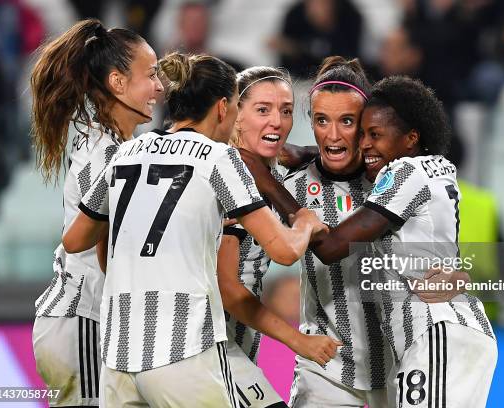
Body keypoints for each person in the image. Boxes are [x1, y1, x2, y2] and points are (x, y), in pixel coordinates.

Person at [63, 52, 328, 407]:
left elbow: (76, 239)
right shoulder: (218, 158)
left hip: (118, 353)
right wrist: (306, 224)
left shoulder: (127, 153)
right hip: (183, 349)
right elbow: (284, 250)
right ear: (223, 108)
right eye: (239, 106)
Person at [262, 76, 497, 407]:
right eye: (322, 120)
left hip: (432, 333)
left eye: (365, 130)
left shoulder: (402, 174)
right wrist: (304, 155)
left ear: (411, 138)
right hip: (379, 354)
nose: (364, 143)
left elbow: (331, 247)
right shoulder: (433, 168)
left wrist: (272, 185)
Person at [243, 56, 392, 407]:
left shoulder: (393, 182)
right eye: (322, 120)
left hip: (396, 363)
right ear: (310, 121)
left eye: (347, 121)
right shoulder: (294, 183)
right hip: (325, 371)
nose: (333, 134)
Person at [30, 19, 163, 407]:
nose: (159, 86)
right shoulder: (109, 154)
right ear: (118, 83)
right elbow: (106, 253)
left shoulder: (114, 143)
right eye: (151, 74)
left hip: (86, 319)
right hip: (83, 318)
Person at [219, 66, 341, 407]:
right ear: (235, 114)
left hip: (238, 342)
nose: (277, 121)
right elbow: (227, 287)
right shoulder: (230, 175)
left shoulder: (271, 169)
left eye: (286, 111)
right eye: (263, 110)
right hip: (209, 343)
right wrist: (298, 342)